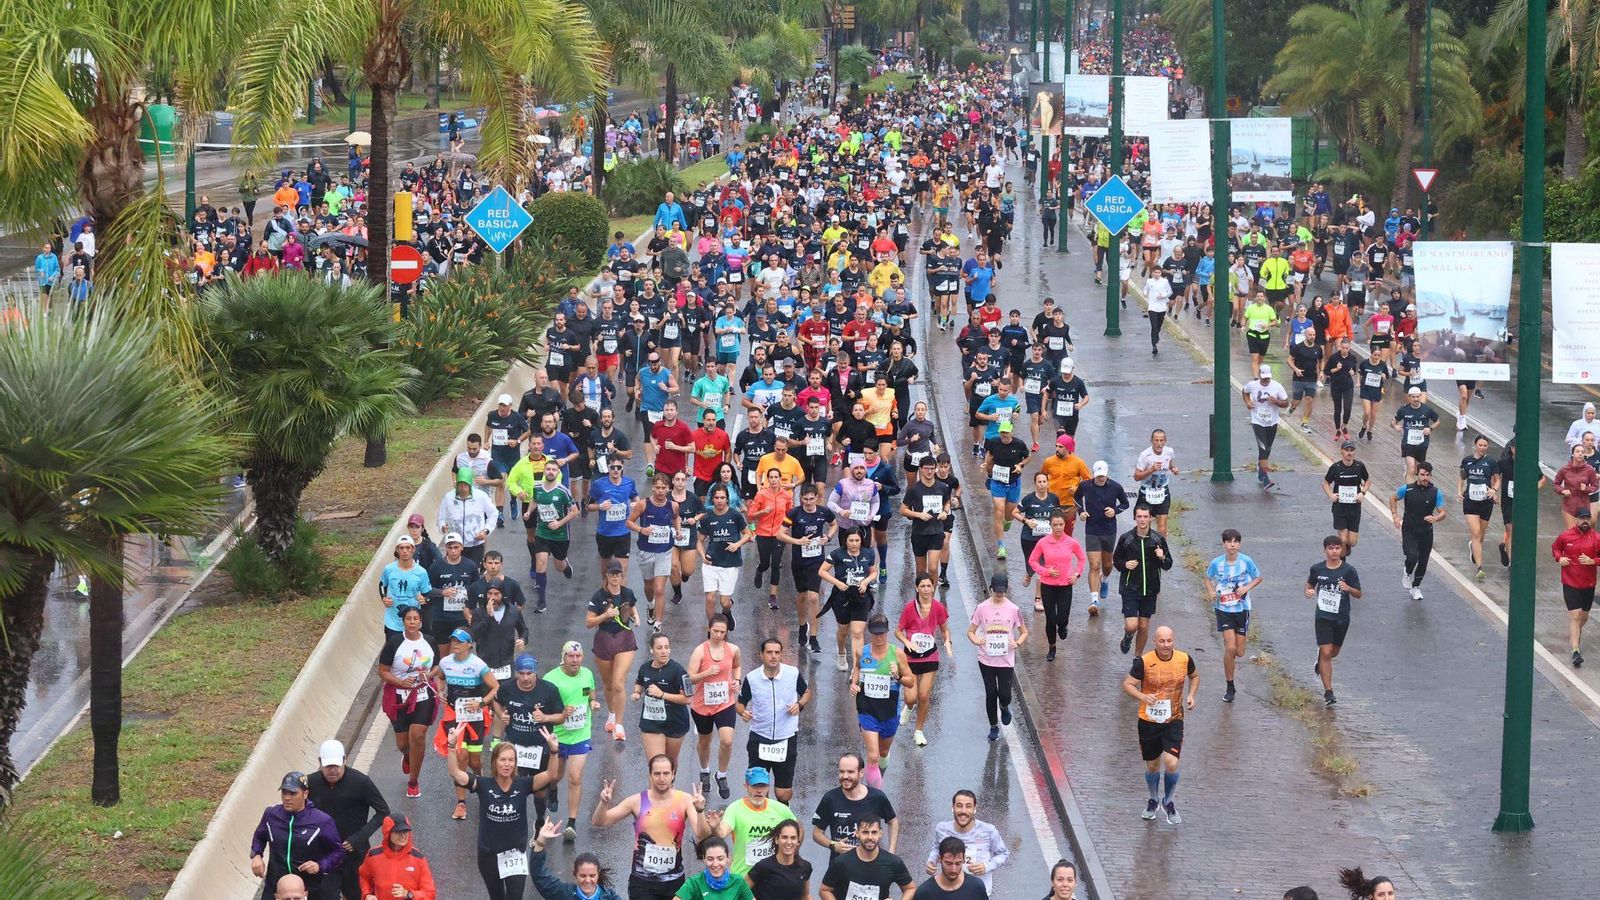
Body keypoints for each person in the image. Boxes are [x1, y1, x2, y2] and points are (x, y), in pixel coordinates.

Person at [589, 754, 707, 900]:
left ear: (673, 774)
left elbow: (702, 833)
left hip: (674, 880)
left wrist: (700, 811)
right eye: (657, 773)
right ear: (650, 775)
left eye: (666, 773)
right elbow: (599, 821)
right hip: (642, 882)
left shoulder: (685, 800)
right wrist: (603, 803)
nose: (661, 778)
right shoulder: (637, 801)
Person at [1123, 625, 1198, 826]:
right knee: (1153, 765)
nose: (1166, 645)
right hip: (1148, 721)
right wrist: (1142, 696)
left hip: (1173, 719)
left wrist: (1190, 696)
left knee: (1171, 762)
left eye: (1169, 641)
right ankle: (1153, 799)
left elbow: (1195, 676)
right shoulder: (1144, 662)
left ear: (1174, 641)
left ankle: (1169, 801)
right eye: (1162, 641)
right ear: (1154, 642)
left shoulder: (1184, 658)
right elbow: (1128, 684)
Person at [306, 739, 388, 900]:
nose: (332, 770)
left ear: (345, 760)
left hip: (354, 854)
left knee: (356, 894)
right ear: (320, 762)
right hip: (325, 854)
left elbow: (383, 811)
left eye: (336, 765)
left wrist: (359, 837)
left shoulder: (361, 782)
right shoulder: (310, 783)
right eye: (328, 766)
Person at [492, 653, 563, 830]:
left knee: (539, 791)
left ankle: (540, 818)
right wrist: (502, 715)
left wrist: (545, 717)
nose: (525, 678)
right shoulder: (507, 688)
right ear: (516, 673)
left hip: (540, 748)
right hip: (515, 747)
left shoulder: (549, 690)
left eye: (529, 673)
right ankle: (514, 820)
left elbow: (561, 717)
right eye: (521, 673)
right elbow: (495, 701)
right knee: (513, 785)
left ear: (535, 673)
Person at [737, 637, 811, 805]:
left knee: (784, 794)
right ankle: (764, 822)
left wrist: (799, 705)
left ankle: (782, 822)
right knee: (758, 789)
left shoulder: (792, 673)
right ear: (761, 655)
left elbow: (807, 693)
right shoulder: (752, 678)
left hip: (785, 738)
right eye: (769, 652)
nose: (773, 656)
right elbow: (739, 703)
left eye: (777, 652)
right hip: (760, 737)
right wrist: (743, 713)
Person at [251, 771, 345, 899]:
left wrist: (320, 865)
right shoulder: (271, 815)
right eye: (284, 792)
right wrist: (256, 855)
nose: (287, 797)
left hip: (310, 889)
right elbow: (260, 836)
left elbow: (338, 851)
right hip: (276, 887)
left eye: (293, 793)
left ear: (305, 794)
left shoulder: (322, 821)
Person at [544, 640, 602, 839]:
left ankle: (571, 823)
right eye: (571, 656)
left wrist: (593, 702)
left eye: (578, 656)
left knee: (575, 777)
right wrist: (560, 712)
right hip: (558, 735)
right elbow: (543, 707)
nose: (575, 660)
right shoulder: (551, 678)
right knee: (555, 776)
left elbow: (590, 692)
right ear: (564, 657)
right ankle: (552, 789)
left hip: (580, 734)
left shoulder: (587, 674)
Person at [851, 614, 916, 789]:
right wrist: (854, 684)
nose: (879, 638)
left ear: (887, 632)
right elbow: (857, 669)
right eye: (875, 634)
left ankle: (877, 778)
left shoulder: (897, 654)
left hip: (888, 711)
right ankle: (874, 794)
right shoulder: (862, 652)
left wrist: (898, 676)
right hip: (867, 709)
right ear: (870, 633)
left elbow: (911, 681)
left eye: (882, 634)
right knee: (872, 756)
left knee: (883, 752)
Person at [377, 607, 434, 799]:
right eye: (408, 619)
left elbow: (437, 667)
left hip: (423, 695)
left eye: (415, 619)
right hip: (399, 697)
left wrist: (430, 676)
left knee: (417, 735)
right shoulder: (395, 643)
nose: (412, 622)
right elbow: (383, 671)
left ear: (421, 622)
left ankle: (413, 781)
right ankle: (408, 756)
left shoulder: (429, 641)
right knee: (403, 743)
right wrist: (401, 682)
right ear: (403, 622)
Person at [700, 767, 797, 879]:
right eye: (754, 786)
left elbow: (798, 829)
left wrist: (791, 854)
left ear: (768, 788)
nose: (759, 790)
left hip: (772, 877)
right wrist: (715, 827)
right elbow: (722, 833)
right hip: (743, 877)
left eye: (763, 786)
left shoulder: (780, 809)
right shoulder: (735, 809)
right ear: (746, 786)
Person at [1204, 529, 1262, 703]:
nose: (1232, 545)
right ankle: (1230, 686)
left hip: (1242, 609)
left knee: (1240, 652)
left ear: (1239, 544)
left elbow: (1258, 577)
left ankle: (1232, 660)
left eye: (1235, 542)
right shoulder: (1217, 563)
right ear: (1223, 544)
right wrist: (1211, 591)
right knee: (1230, 648)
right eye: (1229, 542)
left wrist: (1247, 587)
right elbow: (1207, 577)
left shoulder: (1246, 561)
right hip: (1223, 609)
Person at [968, 573, 1027, 743]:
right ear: (991, 589)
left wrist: (1017, 643)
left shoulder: (1014, 609)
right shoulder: (981, 608)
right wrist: (977, 640)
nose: (999, 594)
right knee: (990, 692)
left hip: (1006, 659)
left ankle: (1004, 706)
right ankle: (994, 726)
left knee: (1005, 694)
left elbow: (1024, 632)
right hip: (986, 658)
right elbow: (970, 631)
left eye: (1002, 591)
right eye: (996, 591)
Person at [895, 574, 952, 747]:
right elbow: (898, 631)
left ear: (933, 587)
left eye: (929, 586)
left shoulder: (938, 607)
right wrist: (906, 641)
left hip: (930, 656)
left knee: (924, 695)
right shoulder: (909, 608)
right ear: (916, 588)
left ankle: (918, 731)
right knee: (911, 698)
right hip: (910, 658)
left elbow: (944, 629)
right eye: (923, 586)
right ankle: (909, 707)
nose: (926, 589)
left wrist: (948, 642)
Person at [689, 615, 742, 800]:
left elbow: (737, 666)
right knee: (705, 741)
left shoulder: (733, 649)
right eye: (716, 631)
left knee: (727, 741)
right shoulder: (700, 651)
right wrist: (706, 673)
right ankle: (705, 770)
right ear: (709, 629)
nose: (719, 635)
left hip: (725, 702)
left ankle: (722, 774)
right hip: (702, 705)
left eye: (723, 632)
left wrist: (737, 681)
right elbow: (689, 679)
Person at [812, 752, 900, 863]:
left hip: (870, 865)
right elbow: (817, 833)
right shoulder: (830, 798)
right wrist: (833, 845)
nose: (845, 776)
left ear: (861, 773)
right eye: (841, 772)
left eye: (850, 772)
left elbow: (893, 821)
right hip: (840, 867)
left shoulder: (877, 797)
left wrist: (891, 852)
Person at [587, 561, 640, 743]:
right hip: (604, 639)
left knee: (618, 683)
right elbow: (589, 622)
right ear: (607, 576)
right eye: (612, 574)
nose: (615, 577)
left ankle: (619, 724)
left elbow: (631, 605)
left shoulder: (627, 592)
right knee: (608, 683)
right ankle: (611, 714)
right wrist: (604, 616)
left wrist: (636, 616)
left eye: (618, 573)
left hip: (624, 639)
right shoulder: (598, 596)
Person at [1308, 534, 1363, 707]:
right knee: (1326, 653)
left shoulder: (1349, 571)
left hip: (1341, 617)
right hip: (1323, 617)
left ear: (1342, 550)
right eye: (1331, 548)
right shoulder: (1317, 569)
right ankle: (1329, 692)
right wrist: (1308, 592)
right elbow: (1310, 585)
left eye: (1337, 548)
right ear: (1325, 550)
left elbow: (1359, 594)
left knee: (1333, 652)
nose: (1334, 551)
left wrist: (1348, 588)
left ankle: (1320, 660)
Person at [1112, 505, 1173, 656]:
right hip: (1130, 588)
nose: (1142, 520)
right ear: (1135, 518)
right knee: (1132, 625)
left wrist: (1162, 557)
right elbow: (1116, 560)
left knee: (1144, 626)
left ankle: (1137, 657)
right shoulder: (1126, 539)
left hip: (1150, 589)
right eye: (1139, 516)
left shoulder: (1157, 539)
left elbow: (1168, 564)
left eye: (1145, 516)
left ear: (1151, 518)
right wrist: (1125, 565)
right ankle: (1127, 637)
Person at [921, 791, 1007, 894]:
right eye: (959, 806)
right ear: (953, 807)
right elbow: (936, 848)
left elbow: (1003, 854)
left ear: (975, 809)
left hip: (978, 892)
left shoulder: (988, 831)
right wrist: (931, 861)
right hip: (950, 890)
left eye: (968, 806)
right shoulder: (942, 829)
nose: (963, 811)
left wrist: (987, 866)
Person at [1028, 511, 1086, 661]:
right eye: (1055, 525)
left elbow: (1081, 558)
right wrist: (1046, 571)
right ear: (1050, 525)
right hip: (1048, 586)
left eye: (1061, 524)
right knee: (1050, 619)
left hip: (1065, 585)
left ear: (1065, 525)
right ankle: (1052, 647)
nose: (1058, 528)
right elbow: (1033, 561)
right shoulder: (1043, 542)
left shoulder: (1071, 542)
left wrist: (1077, 574)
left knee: (1062, 617)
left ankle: (1063, 626)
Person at [634, 633, 695, 768]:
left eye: (666, 647)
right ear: (652, 650)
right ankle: (655, 789)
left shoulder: (679, 671)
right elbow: (639, 682)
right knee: (656, 765)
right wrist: (637, 692)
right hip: (651, 721)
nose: (663, 651)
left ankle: (669, 786)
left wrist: (662, 694)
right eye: (659, 648)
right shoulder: (645, 668)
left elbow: (688, 699)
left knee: (670, 763)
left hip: (675, 722)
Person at [1076, 460, 1129, 614]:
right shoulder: (1085, 486)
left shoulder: (1115, 487)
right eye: (1098, 476)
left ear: (1107, 474)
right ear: (1094, 474)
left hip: (1109, 530)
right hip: (1092, 529)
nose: (1100, 478)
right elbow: (1076, 498)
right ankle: (1094, 600)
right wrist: (1081, 512)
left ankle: (1104, 580)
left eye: (1103, 476)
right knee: (1094, 565)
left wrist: (1115, 510)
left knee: (1106, 564)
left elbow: (1125, 503)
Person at [817, 816, 914, 900]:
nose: (870, 837)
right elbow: (824, 890)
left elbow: (910, 888)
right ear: (857, 833)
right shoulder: (841, 862)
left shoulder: (893, 862)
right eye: (865, 832)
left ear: (880, 833)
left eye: (874, 832)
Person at [1390, 461, 1447, 601]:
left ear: (1431, 475)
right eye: (1422, 474)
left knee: (1423, 561)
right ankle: (1407, 571)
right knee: (1412, 557)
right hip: (1409, 529)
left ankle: (1416, 587)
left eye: (1427, 475)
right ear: (1417, 474)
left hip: (1426, 532)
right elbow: (1393, 498)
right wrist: (1395, 515)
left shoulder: (1435, 493)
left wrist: (1435, 518)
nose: (1425, 478)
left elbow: (1443, 513)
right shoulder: (1407, 489)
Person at [698, 485, 752, 629]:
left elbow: (748, 534)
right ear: (712, 499)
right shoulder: (707, 518)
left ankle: (727, 612)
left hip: (730, 563)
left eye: (722, 498)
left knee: (724, 602)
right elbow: (699, 540)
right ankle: (713, 628)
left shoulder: (735, 515)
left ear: (727, 499)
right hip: (711, 563)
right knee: (710, 598)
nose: (719, 501)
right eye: (716, 498)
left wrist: (737, 544)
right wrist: (703, 556)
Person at [1553, 508, 1600, 667]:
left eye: (1587, 518)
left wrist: (1592, 561)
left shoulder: (1596, 538)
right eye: (1582, 518)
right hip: (1570, 582)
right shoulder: (1566, 536)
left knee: (1583, 617)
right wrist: (1560, 558)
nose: (1585, 521)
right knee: (1575, 616)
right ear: (1576, 520)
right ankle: (1575, 650)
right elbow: (1556, 548)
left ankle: (1574, 635)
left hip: (1588, 584)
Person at [529, 822, 624, 900]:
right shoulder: (564, 894)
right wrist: (540, 842)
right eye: (583, 876)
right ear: (575, 874)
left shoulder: (611, 898)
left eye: (592, 875)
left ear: (598, 874)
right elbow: (539, 875)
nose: (587, 880)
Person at [357, 814, 436, 900]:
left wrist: (409, 895)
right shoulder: (373, 855)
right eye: (398, 832)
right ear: (387, 833)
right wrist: (367, 894)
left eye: (406, 831)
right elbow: (363, 877)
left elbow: (430, 893)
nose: (403, 835)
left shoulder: (418, 858)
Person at [1459, 435, 1500, 580]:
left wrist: (1493, 490)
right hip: (1470, 501)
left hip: (1485, 502)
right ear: (1475, 445)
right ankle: (1480, 568)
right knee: (1476, 533)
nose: (1482, 447)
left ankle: (1473, 547)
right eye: (1480, 445)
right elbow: (1462, 477)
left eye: (1485, 445)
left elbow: (1497, 480)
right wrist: (1459, 491)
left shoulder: (1491, 462)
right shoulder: (1467, 460)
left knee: (1480, 536)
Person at [1242, 365, 1289, 490]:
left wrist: (1277, 402)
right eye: (1264, 378)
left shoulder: (1277, 386)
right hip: (1257, 421)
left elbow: (1286, 402)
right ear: (1259, 375)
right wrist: (1247, 402)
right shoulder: (1252, 385)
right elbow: (1244, 391)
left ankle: (1260, 468)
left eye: (1267, 378)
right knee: (1262, 448)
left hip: (1272, 422)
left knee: (1268, 448)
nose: (1266, 381)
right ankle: (1265, 478)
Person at [1322, 442, 1371, 555]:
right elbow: (1325, 483)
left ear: (1354, 452)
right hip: (1339, 507)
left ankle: (1346, 548)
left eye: (1351, 450)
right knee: (1343, 538)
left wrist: (1362, 493)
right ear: (1342, 451)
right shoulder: (1336, 467)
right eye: (1347, 450)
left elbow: (1368, 481)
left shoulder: (1359, 466)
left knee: (1352, 542)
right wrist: (1331, 495)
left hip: (1354, 507)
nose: (1349, 453)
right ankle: (1341, 563)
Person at [746, 819, 813, 900]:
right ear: (777, 840)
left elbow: (805, 896)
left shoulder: (805, 867)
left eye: (793, 838)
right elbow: (742, 890)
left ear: (798, 841)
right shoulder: (763, 866)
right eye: (784, 837)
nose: (789, 842)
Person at [1131, 429, 1178, 537]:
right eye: (1156, 440)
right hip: (1147, 492)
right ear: (1151, 441)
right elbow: (1136, 477)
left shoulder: (1169, 452)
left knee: (1162, 528)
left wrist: (1173, 469)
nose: (1159, 443)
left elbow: (1170, 464)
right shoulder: (1145, 455)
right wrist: (1151, 470)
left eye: (1161, 440)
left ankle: (1161, 552)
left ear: (1165, 441)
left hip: (1162, 492)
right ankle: (1146, 551)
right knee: (1144, 526)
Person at [1392, 387, 1440, 480]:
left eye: (1417, 397)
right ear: (1409, 397)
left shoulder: (1427, 409)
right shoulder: (1404, 410)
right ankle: (1410, 492)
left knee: (1417, 471)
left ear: (1420, 396)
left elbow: (1437, 421)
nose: (1415, 399)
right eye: (1413, 397)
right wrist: (1395, 426)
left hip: (1422, 444)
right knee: (1411, 468)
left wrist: (1430, 429)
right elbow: (1393, 421)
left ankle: (1413, 481)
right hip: (1408, 443)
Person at [918, 836, 988, 899]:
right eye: (948, 863)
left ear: (964, 859)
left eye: (958, 863)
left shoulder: (976, 887)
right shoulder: (924, 892)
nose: (953, 870)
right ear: (939, 859)